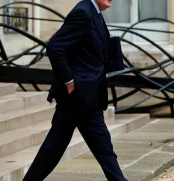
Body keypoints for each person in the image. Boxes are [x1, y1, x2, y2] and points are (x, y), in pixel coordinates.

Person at [22, 0, 128, 180]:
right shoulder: (83, 12)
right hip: (77, 96)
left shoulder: (94, 12)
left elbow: (88, 51)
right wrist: (69, 81)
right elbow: (55, 47)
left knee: (98, 146)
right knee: (63, 146)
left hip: (88, 94)